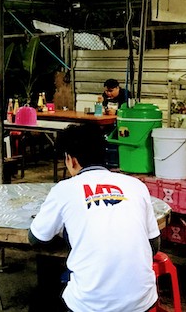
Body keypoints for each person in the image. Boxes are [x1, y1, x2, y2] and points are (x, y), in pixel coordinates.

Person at [29, 123, 161, 312]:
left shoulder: (64, 189)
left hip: (90, 306)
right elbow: (154, 245)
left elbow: (36, 239)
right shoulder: (136, 185)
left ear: (70, 160)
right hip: (142, 302)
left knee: (43, 293)